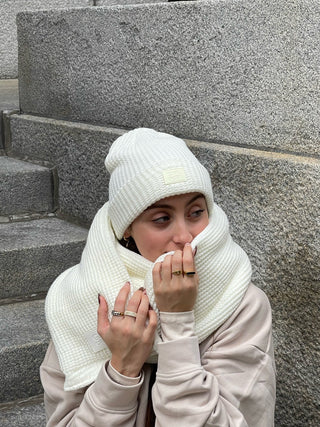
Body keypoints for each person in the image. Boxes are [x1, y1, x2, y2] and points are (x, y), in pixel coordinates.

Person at [41, 128, 276, 426]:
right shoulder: (80, 301)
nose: (184, 237)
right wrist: (121, 369)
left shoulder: (239, 303)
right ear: (127, 227)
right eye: (162, 218)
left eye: (195, 212)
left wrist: (178, 323)